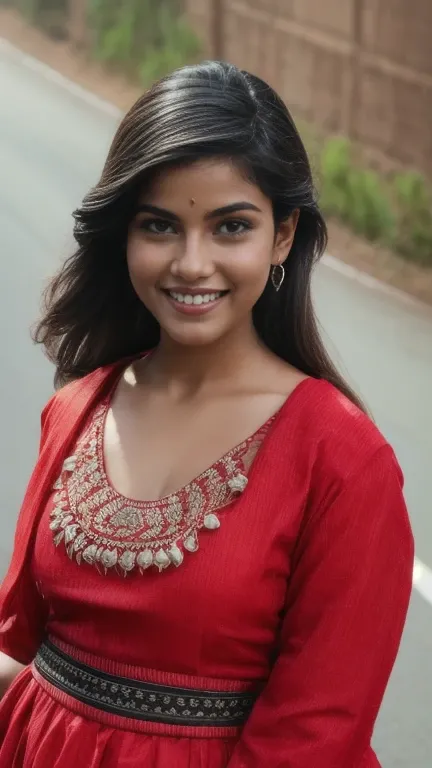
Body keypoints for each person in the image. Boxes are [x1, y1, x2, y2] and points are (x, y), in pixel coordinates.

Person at [0, 60, 413, 768]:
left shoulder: (342, 459)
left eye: (231, 227)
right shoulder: (75, 409)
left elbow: (311, 741)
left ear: (283, 236)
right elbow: (19, 648)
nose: (191, 264)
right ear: (123, 235)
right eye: (160, 226)